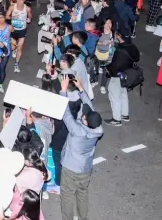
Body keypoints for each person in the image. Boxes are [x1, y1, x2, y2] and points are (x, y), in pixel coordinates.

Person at [59, 77, 103, 220]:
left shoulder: (77, 130)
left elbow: (66, 114)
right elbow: (91, 109)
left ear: (85, 121)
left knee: (66, 196)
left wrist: (63, 92)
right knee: (82, 193)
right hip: (86, 169)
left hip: (71, 169)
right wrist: (82, 89)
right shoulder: (98, 129)